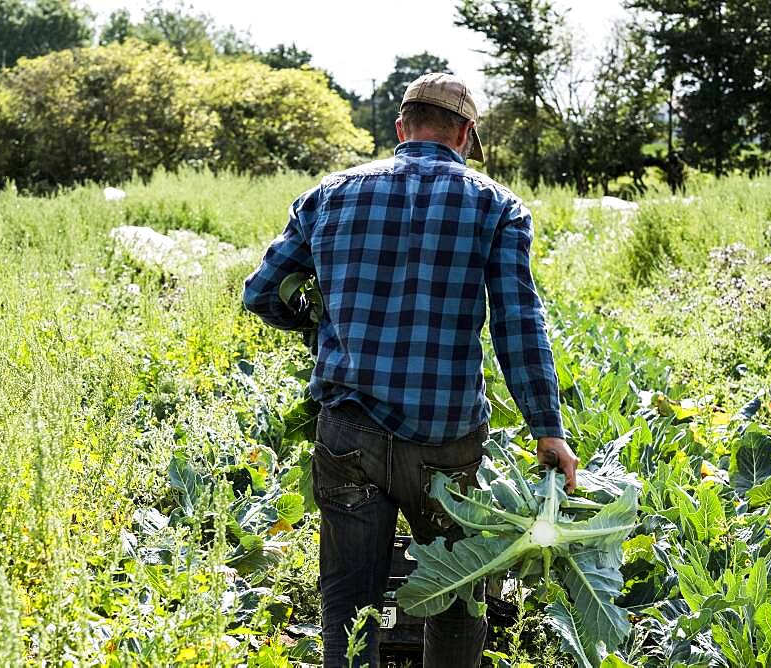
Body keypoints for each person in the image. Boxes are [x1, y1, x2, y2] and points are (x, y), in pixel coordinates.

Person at [242, 73, 578, 668]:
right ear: (467, 135)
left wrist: (320, 321)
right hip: (444, 442)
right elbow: (517, 325)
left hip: (348, 434)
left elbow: (262, 294)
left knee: (350, 600)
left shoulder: (330, 195)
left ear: (401, 127)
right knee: (453, 593)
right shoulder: (497, 206)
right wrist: (545, 428)